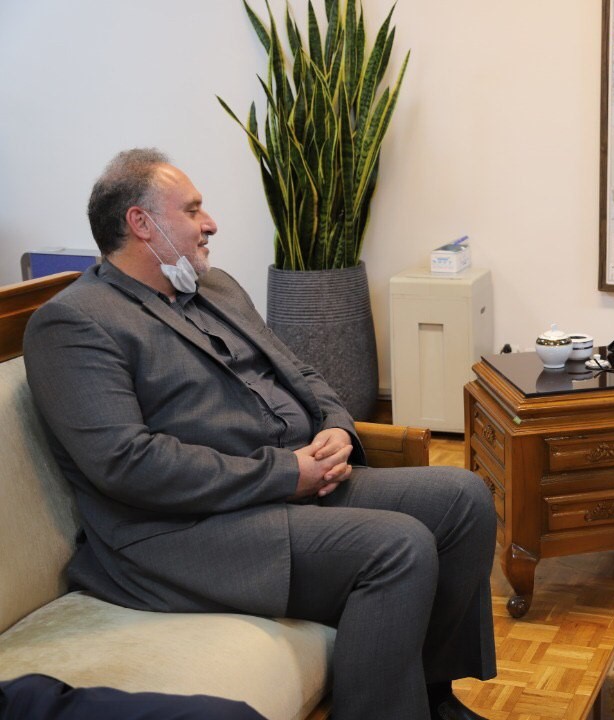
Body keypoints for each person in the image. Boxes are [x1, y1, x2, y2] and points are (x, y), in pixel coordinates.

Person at [23, 149, 497, 720]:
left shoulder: (216, 287)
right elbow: (128, 463)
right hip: (183, 532)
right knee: (398, 545)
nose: (210, 223)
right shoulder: (74, 322)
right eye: (192, 210)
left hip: (284, 486)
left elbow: (301, 373)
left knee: (463, 499)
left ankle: (432, 697)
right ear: (141, 223)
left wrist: (337, 428)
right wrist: (287, 474)